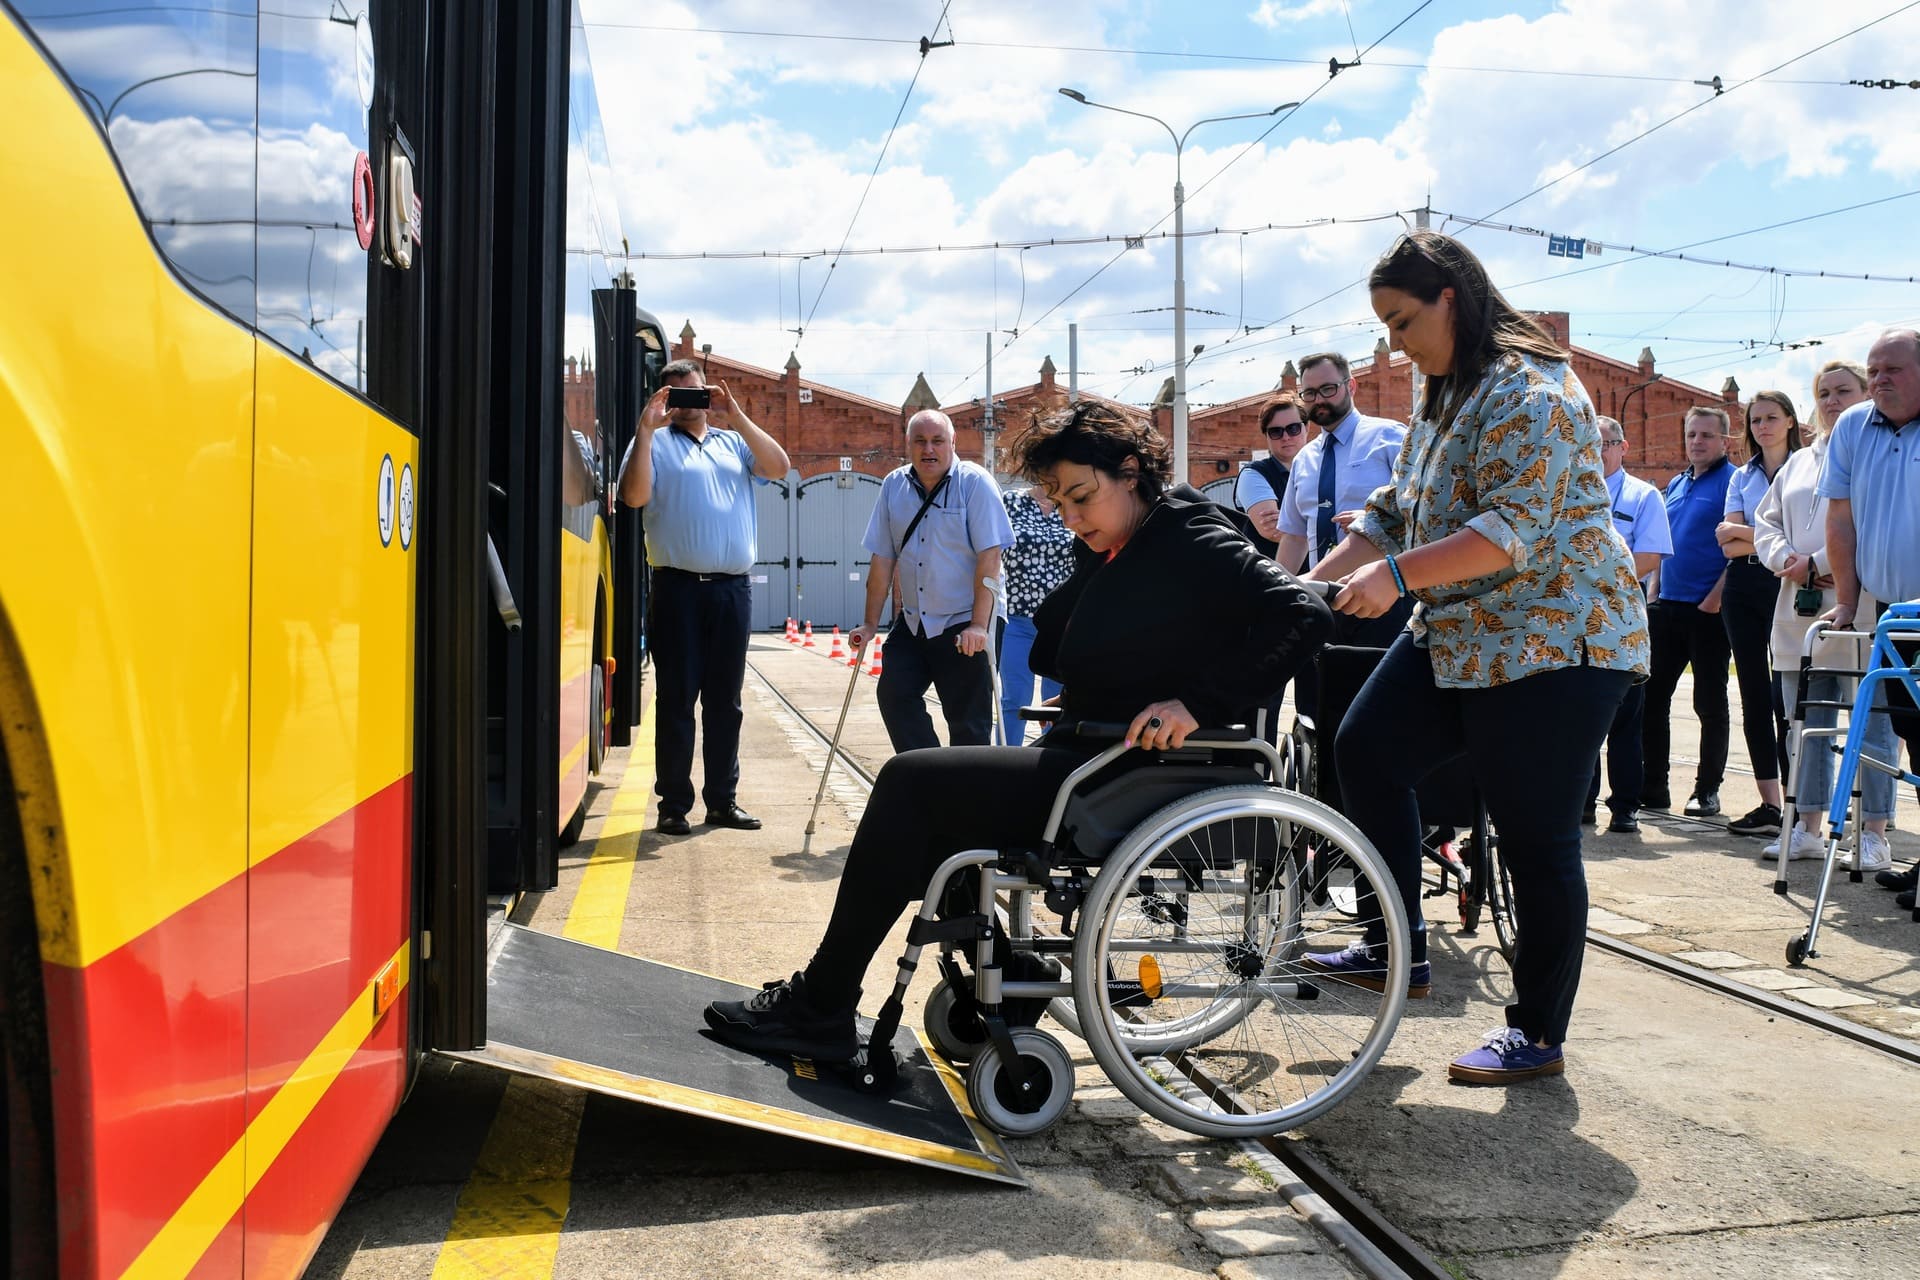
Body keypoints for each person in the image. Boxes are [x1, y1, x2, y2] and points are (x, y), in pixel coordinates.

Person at [704, 401, 1333, 1060]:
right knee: (930, 812)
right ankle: (1001, 971)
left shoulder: (1188, 531)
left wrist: (1194, 704)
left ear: (1131, 471)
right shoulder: (1123, 540)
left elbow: (1303, 614)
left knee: (909, 781)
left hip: (1119, 773)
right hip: (1092, 753)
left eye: (1081, 497)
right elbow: (1088, 640)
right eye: (1060, 503)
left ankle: (822, 1006)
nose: (1071, 516)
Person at [1304, 230, 1646, 1085]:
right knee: (1365, 750)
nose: (1394, 343)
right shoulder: (1444, 389)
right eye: (1384, 326)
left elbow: (1508, 530)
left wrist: (1393, 578)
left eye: (1402, 321)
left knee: (1535, 836)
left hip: (1558, 641)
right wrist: (1310, 585)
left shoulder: (1534, 390)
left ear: (1450, 299)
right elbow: (1394, 508)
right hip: (1462, 628)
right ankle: (1397, 947)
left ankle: (1537, 1031)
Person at [617, 359, 789, 836]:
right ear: (664, 400)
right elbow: (634, 497)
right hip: (677, 590)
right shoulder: (652, 442)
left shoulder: (733, 442)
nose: (686, 404)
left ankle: (722, 802)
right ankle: (673, 805)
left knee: (724, 703)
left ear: (708, 393)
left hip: (732, 590)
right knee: (677, 700)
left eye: (694, 392)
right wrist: (646, 429)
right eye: (675, 396)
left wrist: (737, 415)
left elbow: (779, 467)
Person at [1751, 361, 1896, 868]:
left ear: (1866, 395)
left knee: (1873, 725)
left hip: (1860, 606)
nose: (1833, 401)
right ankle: (1808, 828)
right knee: (1805, 724)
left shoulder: (1878, 453)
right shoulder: (1799, 461)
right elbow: (1765, 521)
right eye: (1824, 393)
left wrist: (1819, 562)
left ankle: (1873, 833)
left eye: (1844, 391)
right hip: (1799, 611)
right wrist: (1786, 561)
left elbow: (1871, 522)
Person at [1819, 329, 1920, 901]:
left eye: (1893, 369)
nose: (1879, 380)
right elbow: (1840, 519)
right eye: (1873, 369)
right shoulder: (1855, 426)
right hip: (1893, 616)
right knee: (1916, 736)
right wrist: (1847, 600)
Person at [850, 410, 1014, 753]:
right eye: (920, 441)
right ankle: (929, 772)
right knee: (895, 694)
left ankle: (963, 784)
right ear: (907, 444)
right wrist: (869, 623)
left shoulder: (975, 483)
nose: (929, 449)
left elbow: (990, 558)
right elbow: (882, 559)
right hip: (915, 620)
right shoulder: (893, 485)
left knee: (968, 723)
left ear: (953, 442)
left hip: (965, 618)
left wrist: (979, 626)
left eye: (937, 441)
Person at [1641, 407, 1735, 818]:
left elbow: (1739, 553)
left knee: (1709, 704)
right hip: (1668, 607)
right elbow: (1662, 541)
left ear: (1724, 441)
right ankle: (1653, 786)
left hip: (1708, 612)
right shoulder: (1678, 483)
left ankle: (1706, 790)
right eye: (1692, 434)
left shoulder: (1732, 483)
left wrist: (1715, 599)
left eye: (1707, 435)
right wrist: (1656, 590)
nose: (1697, 441)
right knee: (1651, 698)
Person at [1585, 416, 1673, 834]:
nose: (1598, 451)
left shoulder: (1643, 495)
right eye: (1591, 443)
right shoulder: (1566, 491)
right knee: (1580, 715)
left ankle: (1625, 806)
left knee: (1625, 715)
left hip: (1622, 614)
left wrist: (1598, 580)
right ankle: (1582, 802)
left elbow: (1650, 556)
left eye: (1606, 443)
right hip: (1575, 615)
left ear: (1623, 447)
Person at [997, 485, 1074, 743]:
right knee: (1014, 699)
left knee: (1057, 703)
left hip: (1061, 624)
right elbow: (990, 553)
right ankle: (1004, 761)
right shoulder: (1010, 502)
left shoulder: (1073, 503)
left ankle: (1053, 757)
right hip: (1016, 619)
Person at [1236, 392, 1312, 559]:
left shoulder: (1321, 469)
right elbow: (1274, 531)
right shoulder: (1253, 475)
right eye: (1276, 432)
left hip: (1324, 572)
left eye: (1293, 428)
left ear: (1306, 427)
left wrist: (1291, 522)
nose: (1286, 437)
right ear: (1266, 435)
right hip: (1270, 572)